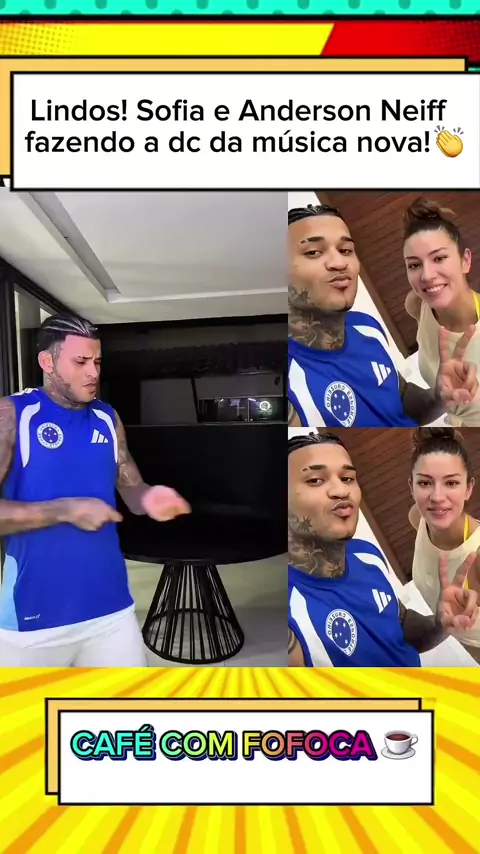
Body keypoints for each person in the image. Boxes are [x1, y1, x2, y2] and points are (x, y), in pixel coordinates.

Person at [0, 314, 191, 667]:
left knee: (128, 702)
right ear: (47, 362)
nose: (93, 373)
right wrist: (64, 511)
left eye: (98, 362)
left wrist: (149, 497)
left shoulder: (107, 417)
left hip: (110, 608)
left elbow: (131, 488)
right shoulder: (12, 415)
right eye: (81, 362)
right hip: (32, 619)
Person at [288, 430, 478, 667]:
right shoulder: (289, 622)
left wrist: (440, 625)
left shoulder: (367, 555)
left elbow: (401, 627)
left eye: (347, 478)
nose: (341, 490)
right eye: (315, 480)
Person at [288, 203, 478, 428]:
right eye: (313, 252)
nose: (339, 263)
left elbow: (402, 402)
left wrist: (439, 398)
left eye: (345, 250)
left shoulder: (368, 328)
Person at [404, 198, 480, 426]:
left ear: (465, 261)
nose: (427, 276)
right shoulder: (418, 304)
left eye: (439, 258)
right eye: (414, 264)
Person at [408, 427, 480, 663]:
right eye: (425, 483)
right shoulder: (418, 518)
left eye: (451, 483)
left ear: (468, 488)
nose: (437, 497)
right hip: (446, 645)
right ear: (411, 487)